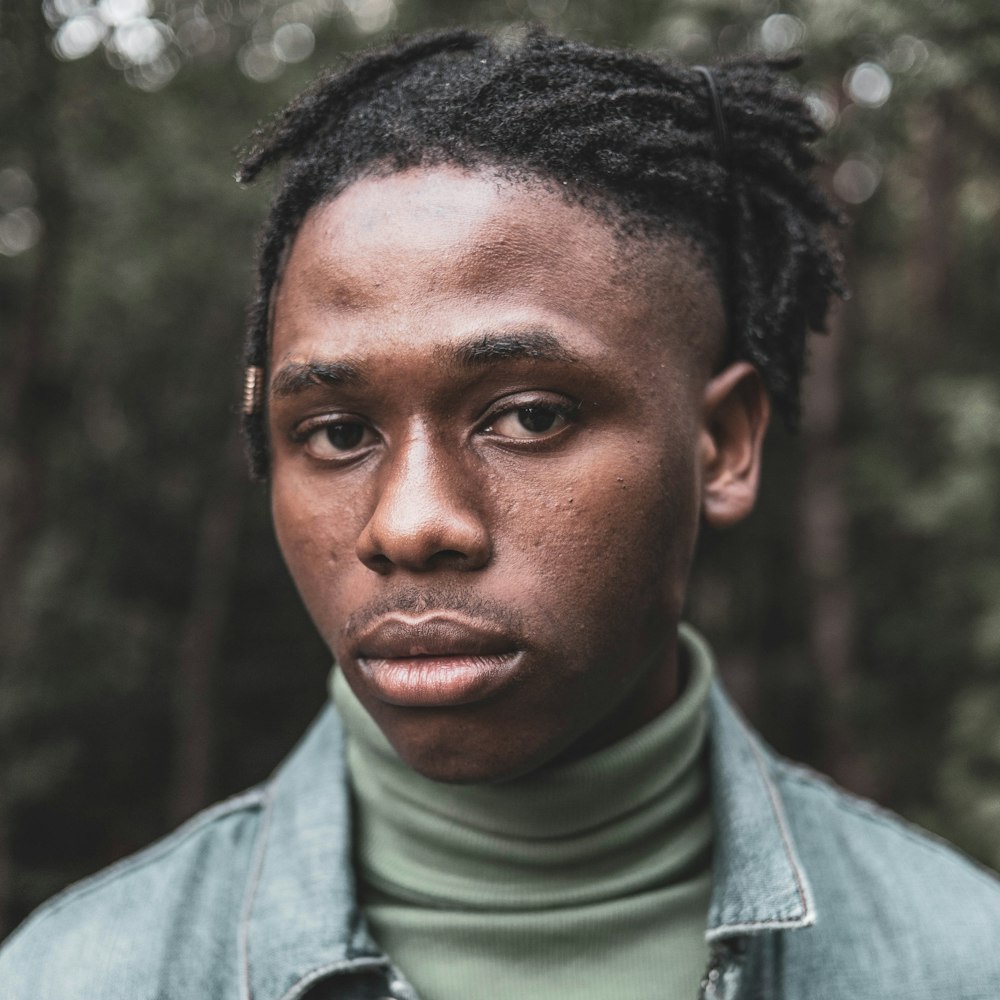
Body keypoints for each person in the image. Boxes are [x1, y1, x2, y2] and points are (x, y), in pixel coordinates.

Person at [2, 26, 999, 1000]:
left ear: (724, 444)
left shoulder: (961, 961)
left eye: (528, 415)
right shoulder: (79, 975)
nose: (410, 524)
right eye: (340, 433)